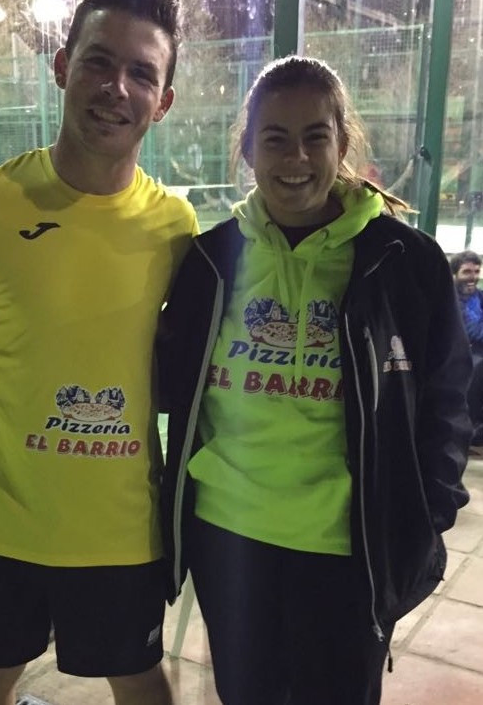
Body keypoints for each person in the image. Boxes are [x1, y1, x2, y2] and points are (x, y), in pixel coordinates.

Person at [0, 0, 197, 704]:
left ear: (163, 101)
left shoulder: (176, 226)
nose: (116, 88)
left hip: (121, 528)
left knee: (139, 679)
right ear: (63, 66)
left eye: (141, 73)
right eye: (99, 61)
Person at [159, 55, 471, 705]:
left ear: (342, 142)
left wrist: (428, 513)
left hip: (347, 549)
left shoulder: (404, 261)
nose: (295, 157)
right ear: (248, 149)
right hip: (229, 541)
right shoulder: (210, 260)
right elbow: (171, 381)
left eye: (315, 136)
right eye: (274, 138)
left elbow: (446, 399)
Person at [450, 250, 483, 444]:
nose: (473, 277)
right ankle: (470, 426)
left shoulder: (479, 298)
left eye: (476, 271)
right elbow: (471, 330)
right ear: (455, 273)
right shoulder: (449, 299)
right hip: (457, 352)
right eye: (467, 272)